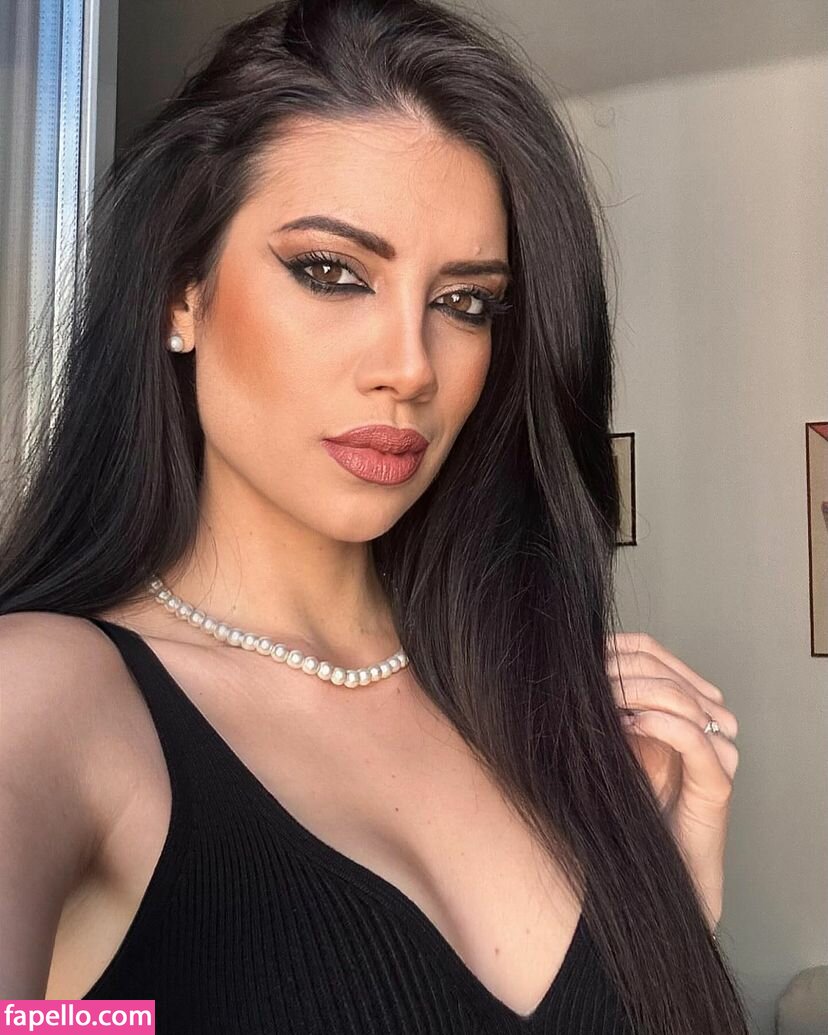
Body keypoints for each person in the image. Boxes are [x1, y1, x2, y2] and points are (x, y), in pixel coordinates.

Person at [0, 0, 749, 1032]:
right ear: (182, 292)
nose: (409, 367)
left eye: (465, 302)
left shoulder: (542, 711)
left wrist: (673, 909)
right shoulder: (48, 698)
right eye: (331, 273)